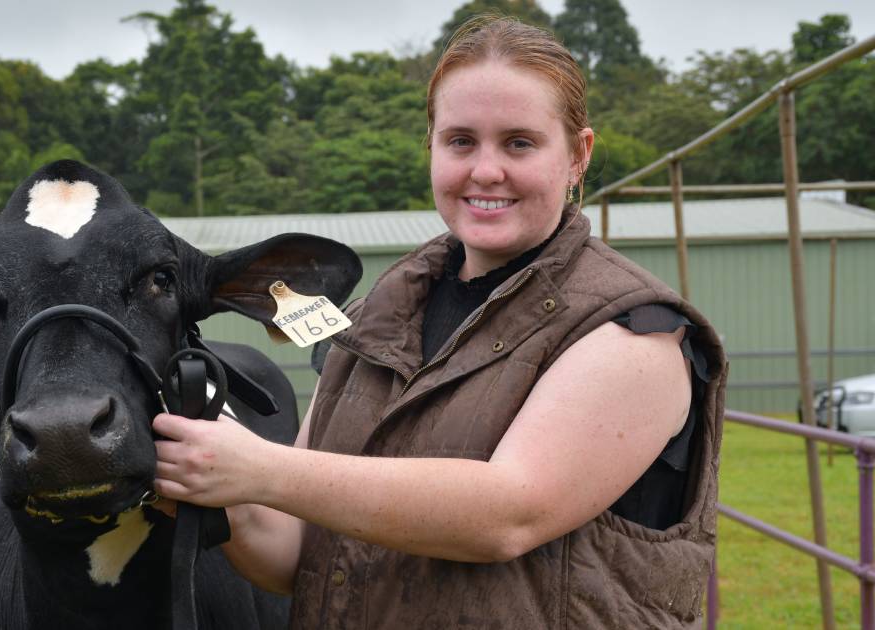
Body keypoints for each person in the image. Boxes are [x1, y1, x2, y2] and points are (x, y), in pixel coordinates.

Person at [152, 15, 726, 629]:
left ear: (579, 154)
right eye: (460, 141)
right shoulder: (375, 323)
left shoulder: (633, 333)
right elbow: (296, 556)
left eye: (519, 143)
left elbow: (508, 515)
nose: (485, 171)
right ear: (430, 144)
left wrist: (261, 469)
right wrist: (192, 475)